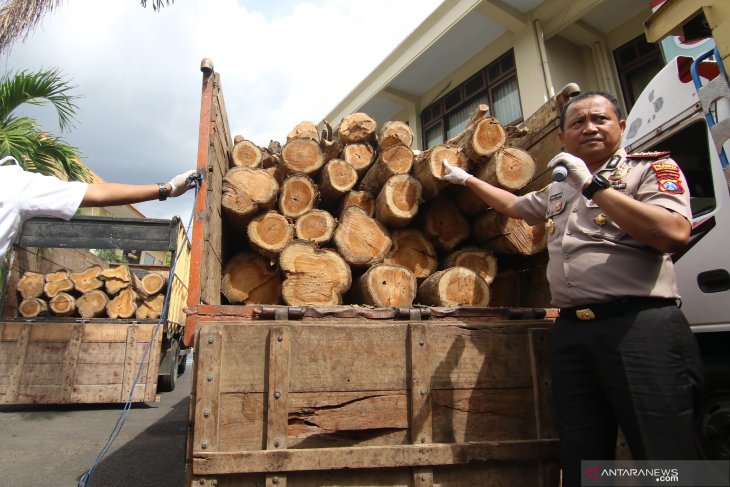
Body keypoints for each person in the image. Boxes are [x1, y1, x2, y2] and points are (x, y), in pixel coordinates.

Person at [443, 90, 703, 486]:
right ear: (562, 138)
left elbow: (672, 233)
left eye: (600, 119)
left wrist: (595, 187)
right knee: (585, 454)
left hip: (638, 328)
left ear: (621, 124)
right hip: (574, 333)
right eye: (577, 123)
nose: (590, 128)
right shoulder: (561, 188)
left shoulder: (648, 170)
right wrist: (466, 179)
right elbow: (514, 207)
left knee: (666, 456)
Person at [0, 155, 198, 263]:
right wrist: (167, 189)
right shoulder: (12, 182)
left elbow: (97, 193)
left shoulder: (12, 182)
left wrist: (167, 189)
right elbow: (96, 194)